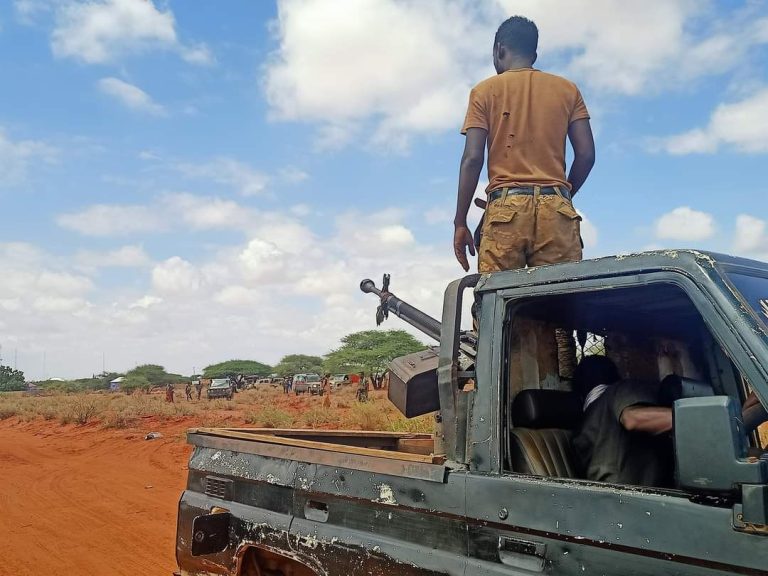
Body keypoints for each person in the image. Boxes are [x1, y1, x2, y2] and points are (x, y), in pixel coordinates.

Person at [453, 15, 595, 274]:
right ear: (535, 55)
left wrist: (459, 221)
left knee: (497, 303)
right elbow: (586, 155)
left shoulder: (484, 92)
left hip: (505, 210)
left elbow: (472, 159)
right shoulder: (568, 90)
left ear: (499, 50)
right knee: (558, 305)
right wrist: (558, 199)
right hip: (558, 209)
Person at [572, 356, 673, 487]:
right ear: (615, 376)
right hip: (633, 498)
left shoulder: (580, 429)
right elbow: (632, 418)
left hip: (602, 498)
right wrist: (692, 419)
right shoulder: (622, 389)